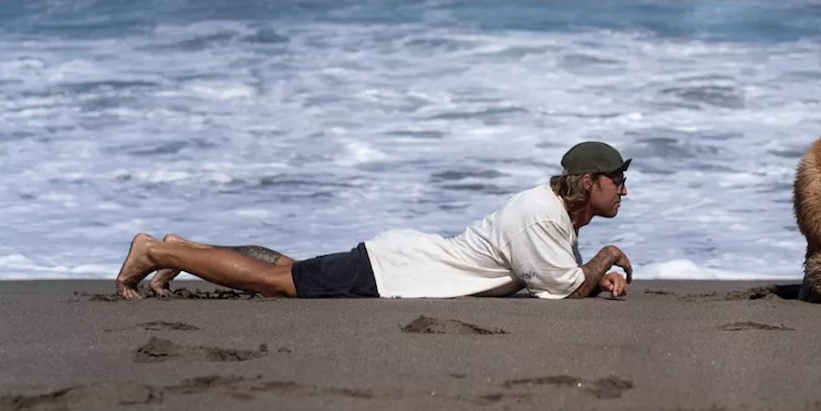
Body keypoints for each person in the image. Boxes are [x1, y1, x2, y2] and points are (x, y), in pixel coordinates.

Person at [114, 141, 634, 300]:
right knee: (279, 283)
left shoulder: (554, 211)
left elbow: (561, 270)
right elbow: (563, 293)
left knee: (293, 269)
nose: (624, 189)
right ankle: (157, 252)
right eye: (616, 179)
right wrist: (606, 258)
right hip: (395, 272)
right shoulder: (540, 215)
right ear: (589, 183)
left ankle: (187, 248)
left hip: (403, 261)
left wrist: (594, 273)